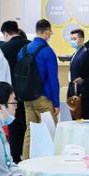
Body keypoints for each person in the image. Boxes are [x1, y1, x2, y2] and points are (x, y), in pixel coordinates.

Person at [19, 19, 60, 160]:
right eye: (50, 32)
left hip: (27, 98)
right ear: (47, 31)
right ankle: (52, 163)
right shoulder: (47, 52)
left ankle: (25, 163)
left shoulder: (23, 50)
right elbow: (53, 79)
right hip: (43, 99)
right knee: (51, 132)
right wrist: (56, 104)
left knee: (30, 132)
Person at [0, 21, 30, 164]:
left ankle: (16, 159)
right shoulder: (30, 45)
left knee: (14, 127)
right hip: (30, 94)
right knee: (29, 127)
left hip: (11, 94)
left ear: (5, 33)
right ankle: (29, 157)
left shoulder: (2, 49)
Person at [66, 28, 87, 99]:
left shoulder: (84, 53)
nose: (72, 41)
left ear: (81, 39)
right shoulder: (75, 53)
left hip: (79, 89)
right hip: (72, 86)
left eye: (74, 39)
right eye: (71, 39)